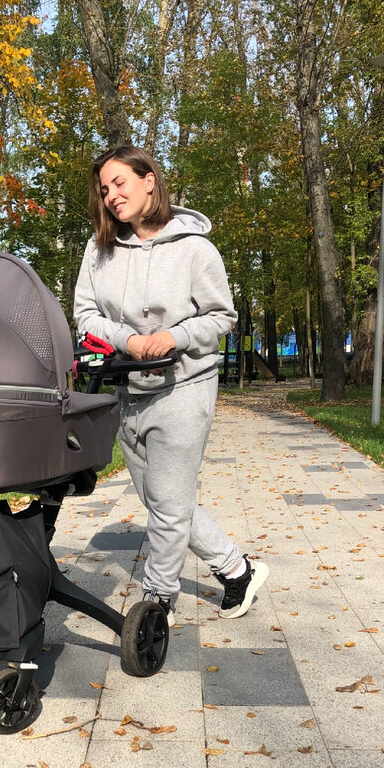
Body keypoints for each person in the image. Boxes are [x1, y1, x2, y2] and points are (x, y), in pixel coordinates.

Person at [74, 144, 268, 618]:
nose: (112, 195)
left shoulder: (195, 249)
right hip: (126, 389)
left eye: (120, 182)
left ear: (149, 180)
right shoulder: (99, 251)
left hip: (184, 387)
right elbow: (84, 315)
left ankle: (157, 604)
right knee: (162, 501)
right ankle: (237, 570)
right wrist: (127, 339)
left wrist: (172, 337)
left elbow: (223, 316)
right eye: (105, 189)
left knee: (168, 507)